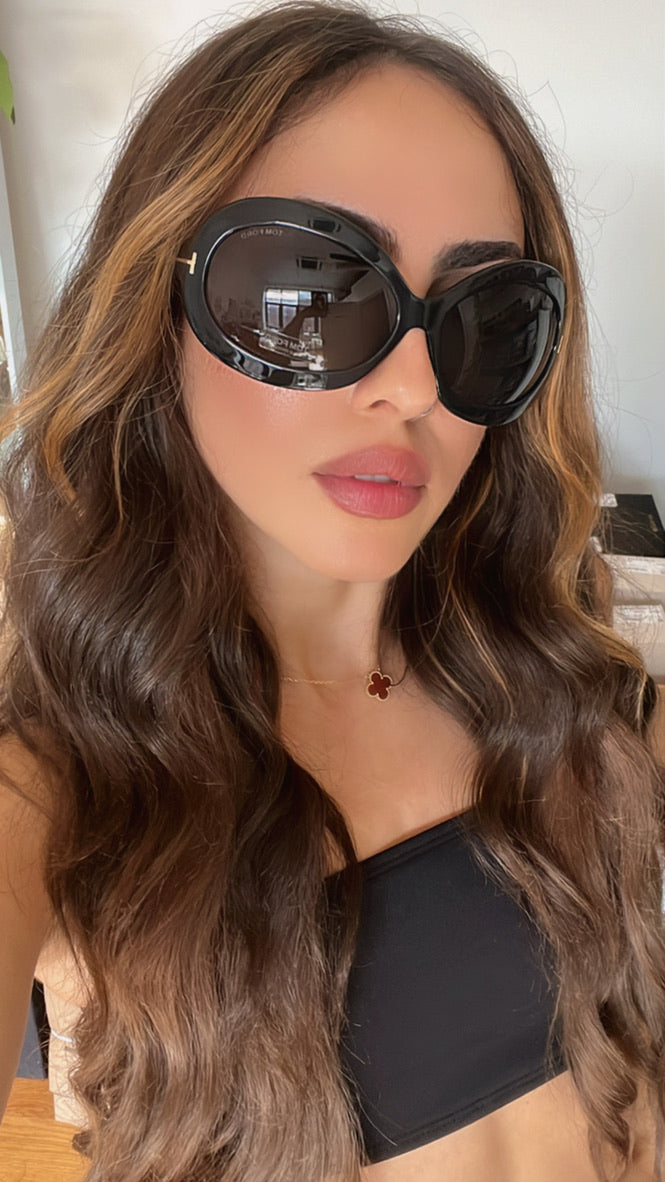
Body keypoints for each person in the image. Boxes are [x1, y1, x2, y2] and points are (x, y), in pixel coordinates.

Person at [0, 2, 663, 1179]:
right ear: (158, 308)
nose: (413, 385)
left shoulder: (580, 690)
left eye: (483, 319)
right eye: (308, 291)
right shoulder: (62, 775)